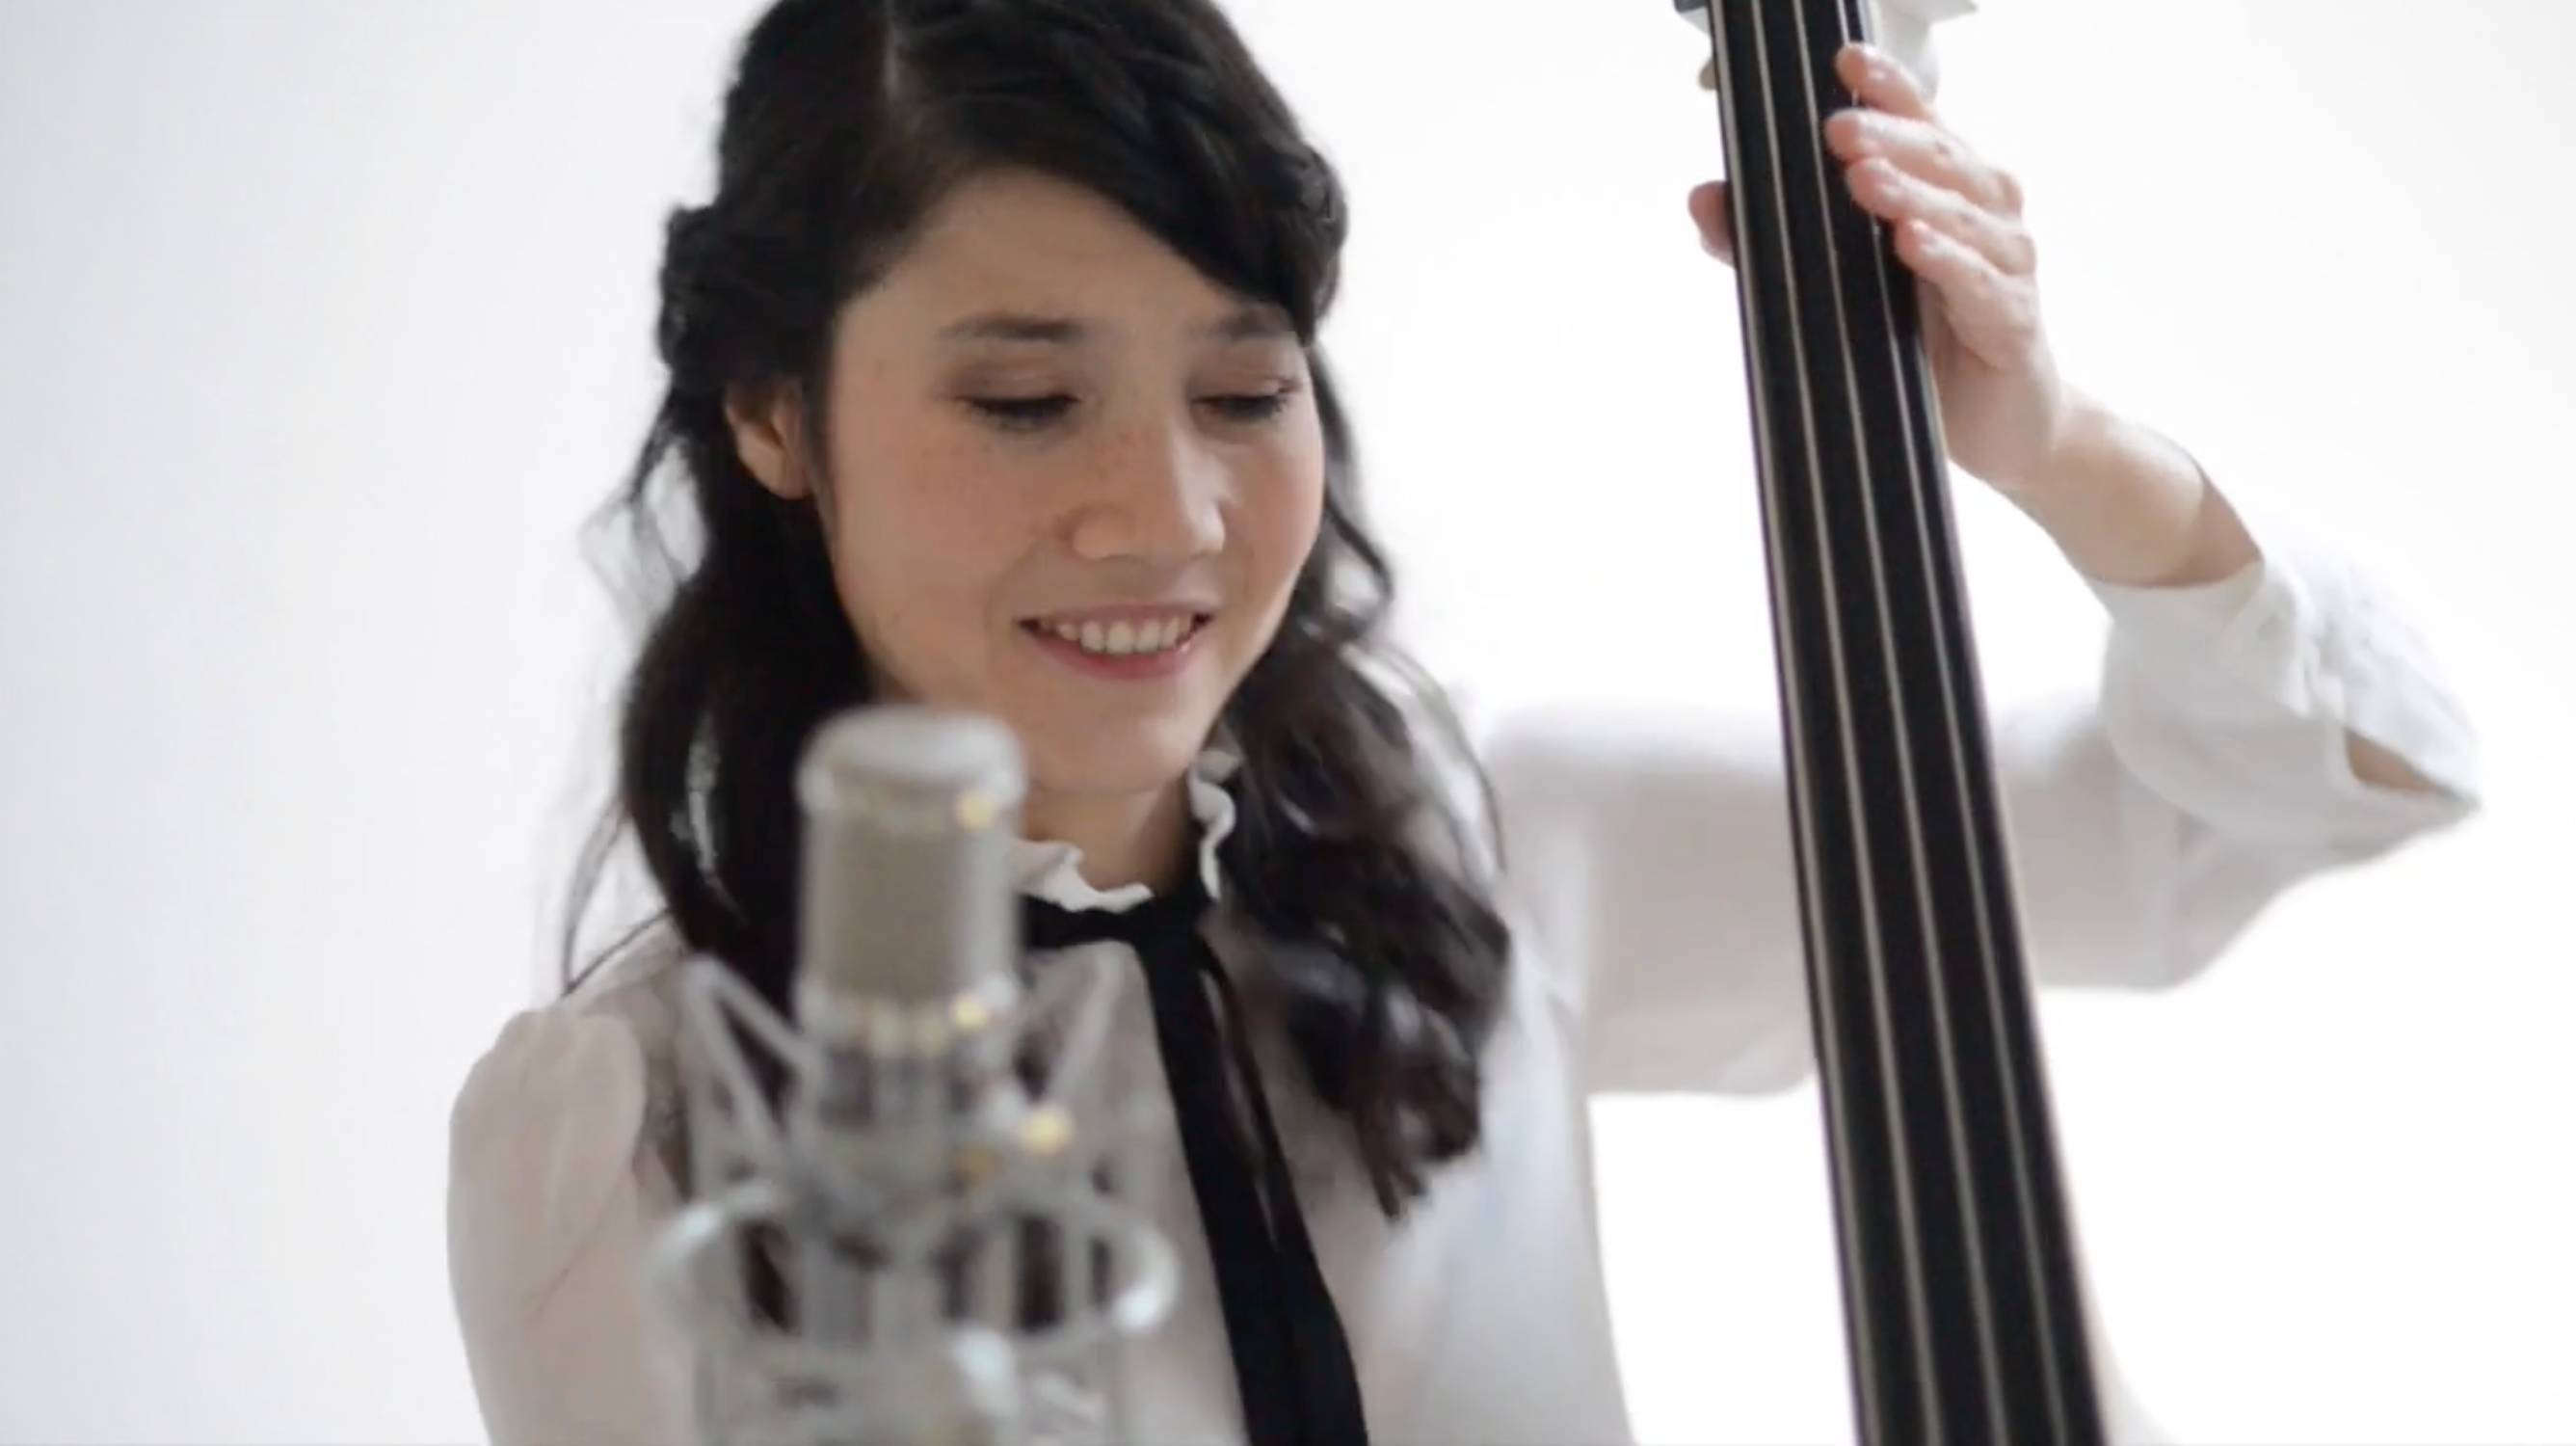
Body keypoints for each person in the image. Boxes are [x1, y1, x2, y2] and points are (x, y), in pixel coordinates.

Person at [444, 1, 2483, 1441]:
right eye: (1024, 399)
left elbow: (2322, 789)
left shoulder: (1485, 837)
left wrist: (2052, 444)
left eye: (1244, 393)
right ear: (772, 413)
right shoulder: (620, 1128)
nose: (1167, 515)